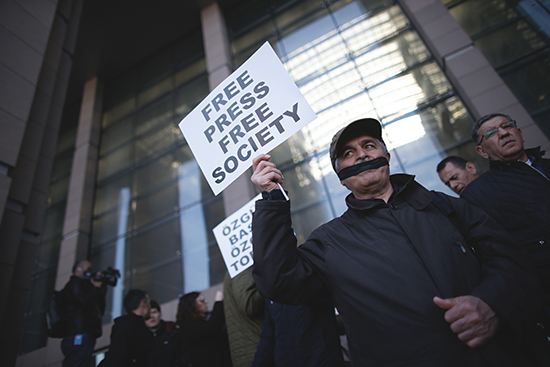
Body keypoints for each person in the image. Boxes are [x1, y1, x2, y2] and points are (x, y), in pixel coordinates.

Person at [250, 117, 542, 366]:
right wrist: (272, 200)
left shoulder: (444, 206)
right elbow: (279, 281)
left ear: (386, 157)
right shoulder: (328, 241)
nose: (362, 155)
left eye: (369, 146)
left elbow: (509, 257)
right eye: (349, 153)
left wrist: (492, 303)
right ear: (341, 177)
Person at [251, 299, 345, 367]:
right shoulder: (271, 289)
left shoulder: (311, 277)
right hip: (288, 360)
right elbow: (268, 335)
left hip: (319, 359)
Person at [61, 260, 107, 367]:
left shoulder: (86, 286)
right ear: (78, 269)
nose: (91, 272)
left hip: (85, 333)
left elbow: (99, 309)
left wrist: (100, 288)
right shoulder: (75, 283)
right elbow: (82, 302)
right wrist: (95, 287)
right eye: (88, 269)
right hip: (78, 333)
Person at [176, 291, 232, 367]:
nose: (206, 302)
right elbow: (214, 325)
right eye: (201, 300)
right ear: (192, 305)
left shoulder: (202, 323)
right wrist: (218, 301)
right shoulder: (187, 328)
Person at [99, 289, 153, 367]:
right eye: (148, 302)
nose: (150, 307)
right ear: (143, 303)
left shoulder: (129, 325)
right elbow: (117, 356)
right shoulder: (128, 326)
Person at [223, 267, 264, 367]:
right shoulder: (242, 267)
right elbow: (249, 304)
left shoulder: (238, 268)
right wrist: (273, 284)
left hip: (253, 351)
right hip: (256, 351)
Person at [146, 300, 181, 367]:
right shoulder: (140, 337)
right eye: (148, 314)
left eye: (154, 312)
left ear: (160, 314)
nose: (151, 316)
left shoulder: (172, 331)